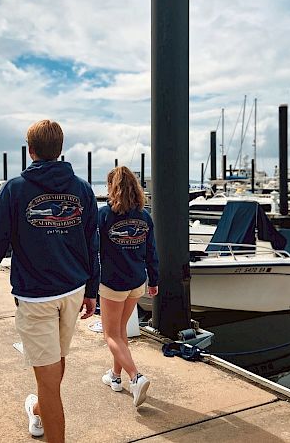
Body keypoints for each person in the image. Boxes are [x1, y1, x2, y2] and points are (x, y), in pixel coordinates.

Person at [0, 120, 99, 442]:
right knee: (55, 361)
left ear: (30, 150)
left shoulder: (16, 188)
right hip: (73, 290)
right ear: (60, 149)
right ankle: (38, 411)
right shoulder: (83, 188)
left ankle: (45, 417)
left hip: (36, 296)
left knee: (48, 380)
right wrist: (91, 290)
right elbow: (92, 244)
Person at [98, 166, 159, 407]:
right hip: (136, 282)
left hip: (113, 283)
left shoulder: (104, 215)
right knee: (120, 331)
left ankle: (136, 376)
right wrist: (154, 280)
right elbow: (152, 251)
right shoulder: (145, 217)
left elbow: (94, 251)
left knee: (110, 334)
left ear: (112, 188)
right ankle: (115, 377)